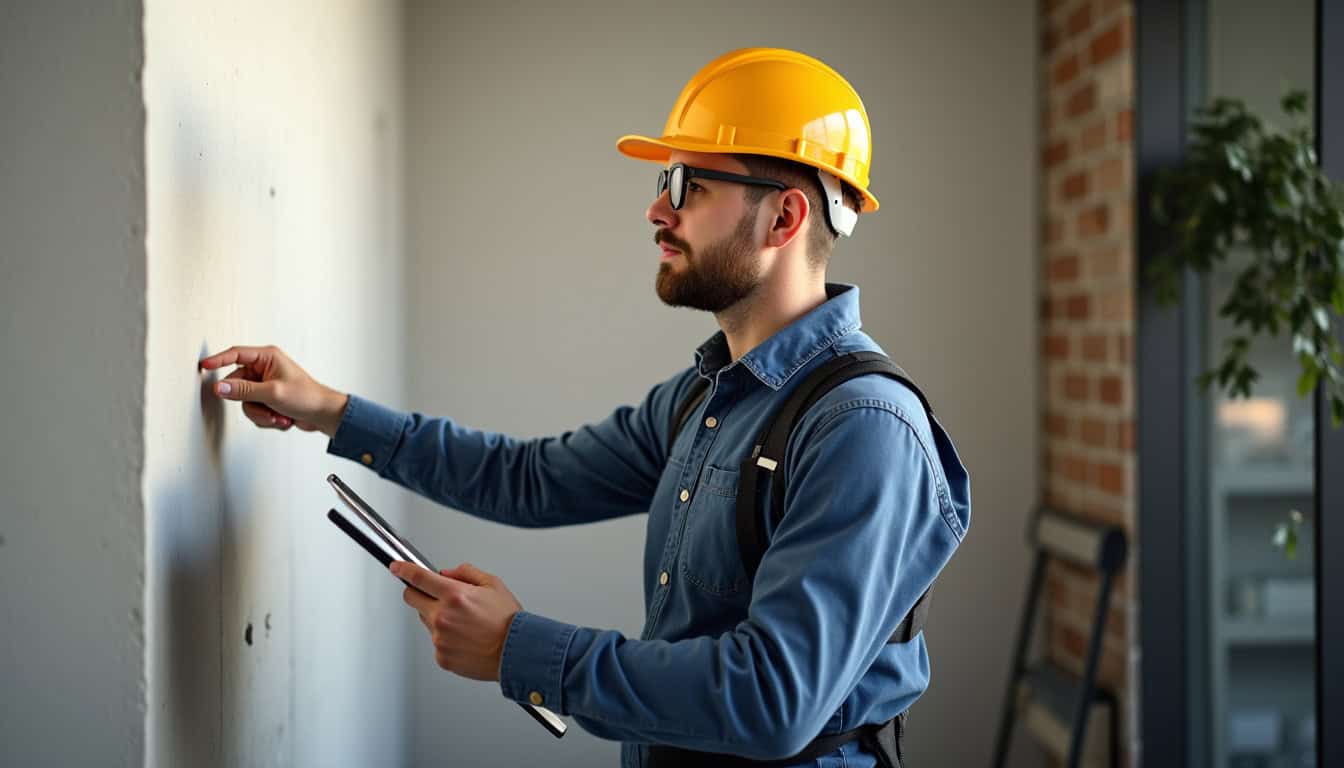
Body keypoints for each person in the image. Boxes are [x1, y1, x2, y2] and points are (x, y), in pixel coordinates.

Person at [199, 47, 970, 768]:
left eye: (688, 186)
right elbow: (530, 478)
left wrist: (517, 649)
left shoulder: (862, 429)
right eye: (663, 182)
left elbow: (771, 697)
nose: (656, 211)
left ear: (785, 219)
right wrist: (328, 408)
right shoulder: (707, 398)